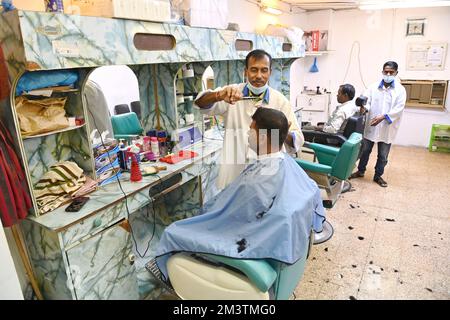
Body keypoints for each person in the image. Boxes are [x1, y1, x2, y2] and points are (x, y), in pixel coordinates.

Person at [155, 108, 325, 280]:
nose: (248, 133)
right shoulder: (285, 165)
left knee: (173, 232)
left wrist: (210, 211)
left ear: (264, 137)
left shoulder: (256, 183)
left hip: (242, 237)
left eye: (251, 129)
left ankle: (176, 277)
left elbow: (233, 217)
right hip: (262, 230)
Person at [195, 49, 303, 190]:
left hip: (267, 173)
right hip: (234, 169)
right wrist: (218, 95)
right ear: (246, 71)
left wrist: (280, 131)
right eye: (254, 70)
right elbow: (200, 103)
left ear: (270, 72)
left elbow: (298, 138)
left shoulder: (280, 101)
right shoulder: (231, 93)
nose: (259, 76)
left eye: (264, 70)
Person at [349, 61, 406, 187]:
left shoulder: (400, 90)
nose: (388, 74)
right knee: (365, 150)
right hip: (372, 125)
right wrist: (365, 108)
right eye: (386, 71)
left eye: (391, 72)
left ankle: (378, 175)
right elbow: (367, 102)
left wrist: (384, 117)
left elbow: (399, 108)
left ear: (396, 73)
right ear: (382, 72)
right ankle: (361, 171)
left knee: (383, 155)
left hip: (387, 127)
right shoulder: (373, 87)